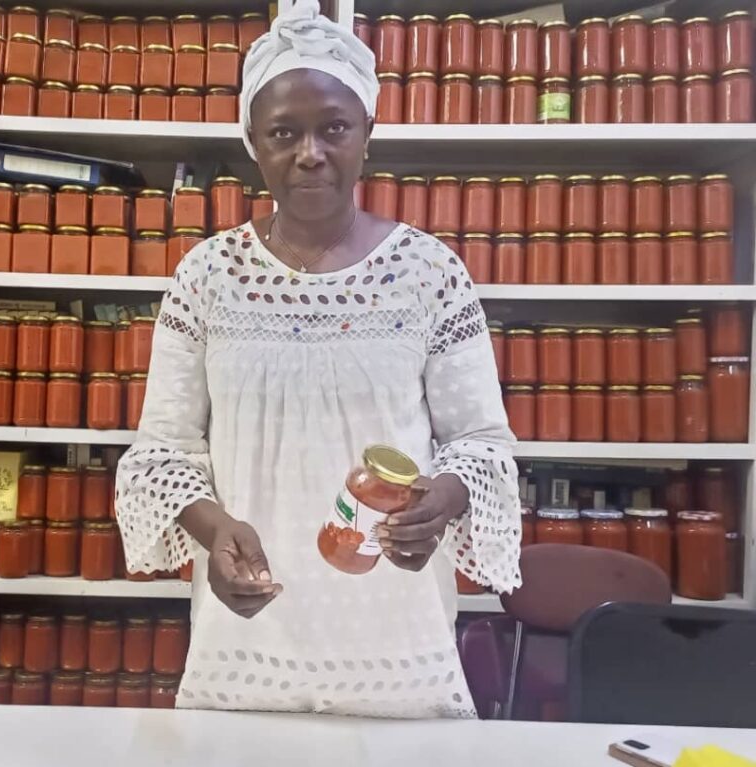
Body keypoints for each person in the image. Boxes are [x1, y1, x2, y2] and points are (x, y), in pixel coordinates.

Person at [116, 0, 520, 718]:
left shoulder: (430, 273)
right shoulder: (207, 276)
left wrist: (443, 499)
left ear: (367, 133)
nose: (310, 152)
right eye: (283, 132)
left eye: (334, 127)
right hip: (247, 638)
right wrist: (212, 529)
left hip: (399, 646)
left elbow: (482, 445)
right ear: (252, 141)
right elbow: (161, 453)